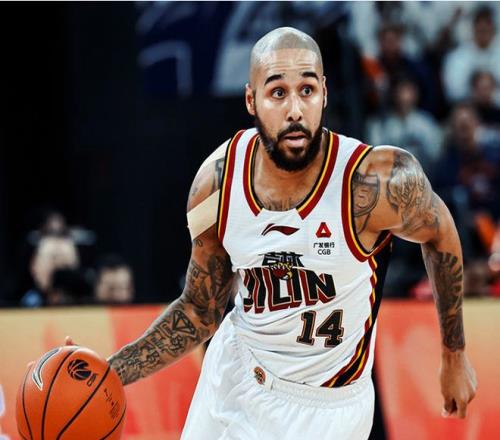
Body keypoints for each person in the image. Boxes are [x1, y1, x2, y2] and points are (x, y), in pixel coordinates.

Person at [69, 27, 476, 438]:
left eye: (307, 90)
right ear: (251, 100)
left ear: (325, 94)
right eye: (278, 92)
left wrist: (453, 353)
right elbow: (199, 310)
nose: (295, 109)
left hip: (328, 410)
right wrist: (110, 372)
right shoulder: (217, 185)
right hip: (235, 374)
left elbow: (440, 235)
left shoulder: (375, 181)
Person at [21, 234, 80, 307]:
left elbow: (73, 264)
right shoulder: (30, 301)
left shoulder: (78, 300)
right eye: (47, 260)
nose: (52, 267)